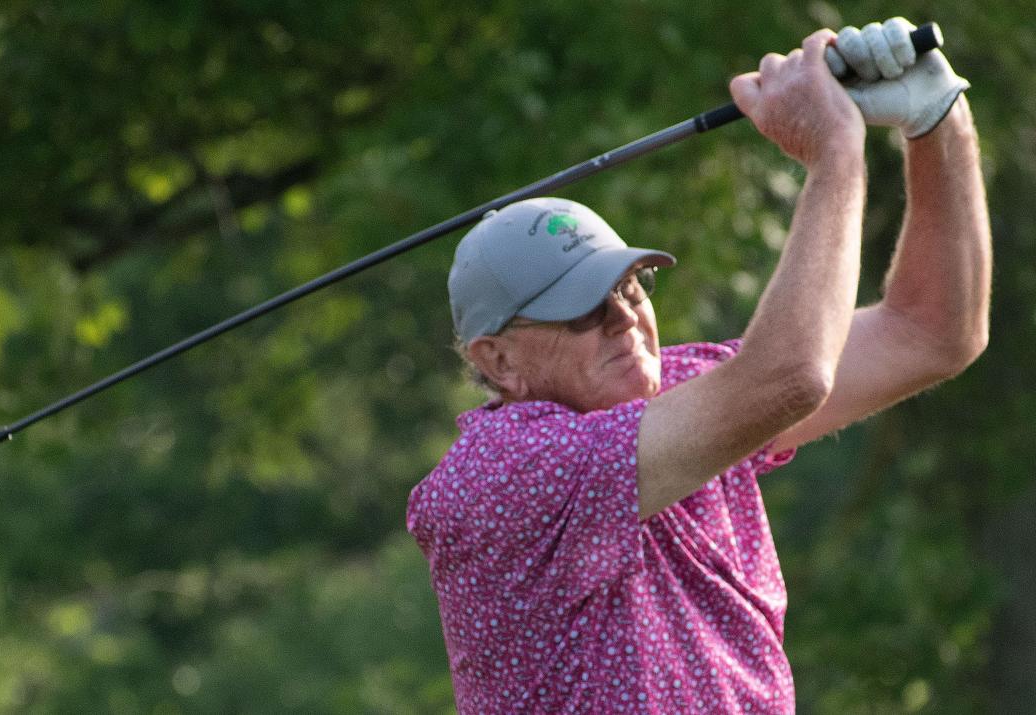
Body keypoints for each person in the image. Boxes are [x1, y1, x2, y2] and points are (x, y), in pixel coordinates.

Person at [406, 18, 991, 714]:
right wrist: (836, 153)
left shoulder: (689, 393)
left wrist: (936, 117)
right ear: (497, 360)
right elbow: (793, 376)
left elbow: (931, 330)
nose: (624, 316)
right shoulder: (501, 472)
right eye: (581, 306)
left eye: (630, 287)